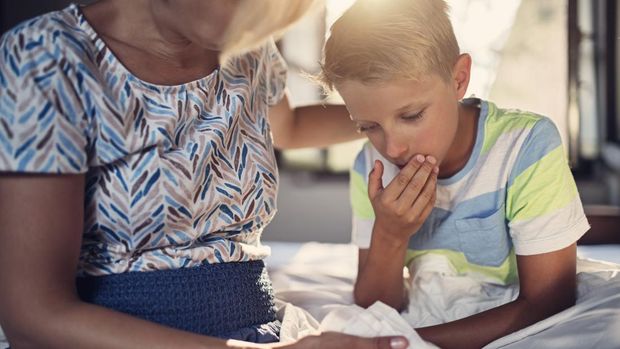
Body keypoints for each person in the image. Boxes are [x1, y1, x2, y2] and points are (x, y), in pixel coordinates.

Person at [0, 1, 410, 348]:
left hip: (261, 328)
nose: (263, 15)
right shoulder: (47, 57)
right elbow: (32, 314)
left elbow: (289, 128)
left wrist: (406, 115)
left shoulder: (248, 44)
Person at [318, 0, 590, 348]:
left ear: (459, 78)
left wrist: (408, 342)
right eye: (368, 126)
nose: (393, 148)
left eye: (412, 115)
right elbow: (376, 305)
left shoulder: (525, 146)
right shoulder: (370, 165)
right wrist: (390, 234)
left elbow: (549, 301)